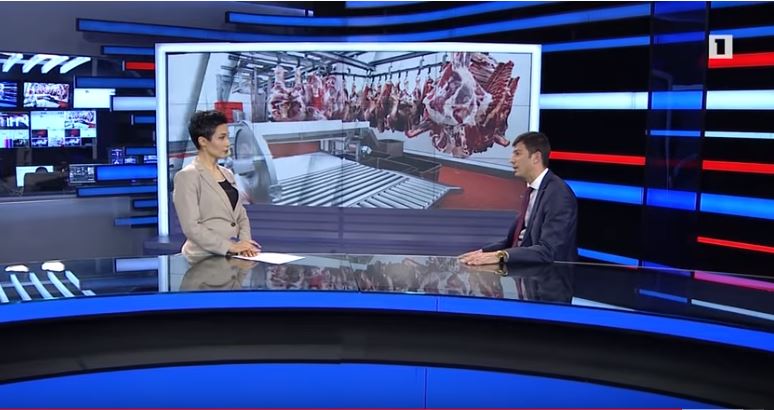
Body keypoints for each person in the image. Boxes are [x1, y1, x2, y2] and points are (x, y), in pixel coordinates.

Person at [459, 131, 578, 265]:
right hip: (525, 271)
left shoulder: (558, 194)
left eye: (517, 153)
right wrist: (482, 252)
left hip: (548, 275)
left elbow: (549, 251)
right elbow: (515, 241)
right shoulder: (531, 191)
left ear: (536, 157)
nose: (511, 160)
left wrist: (501, 256)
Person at [173, 110, 260, 258]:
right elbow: (191, 227)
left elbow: (241, 215)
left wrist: (245, 243)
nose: (227, 143)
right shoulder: (187, 177)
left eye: (227, 136)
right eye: (221, 137)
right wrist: (230, 246)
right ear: (203, 141)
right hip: (202, 258)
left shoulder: (227, 174)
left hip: (232, 256)